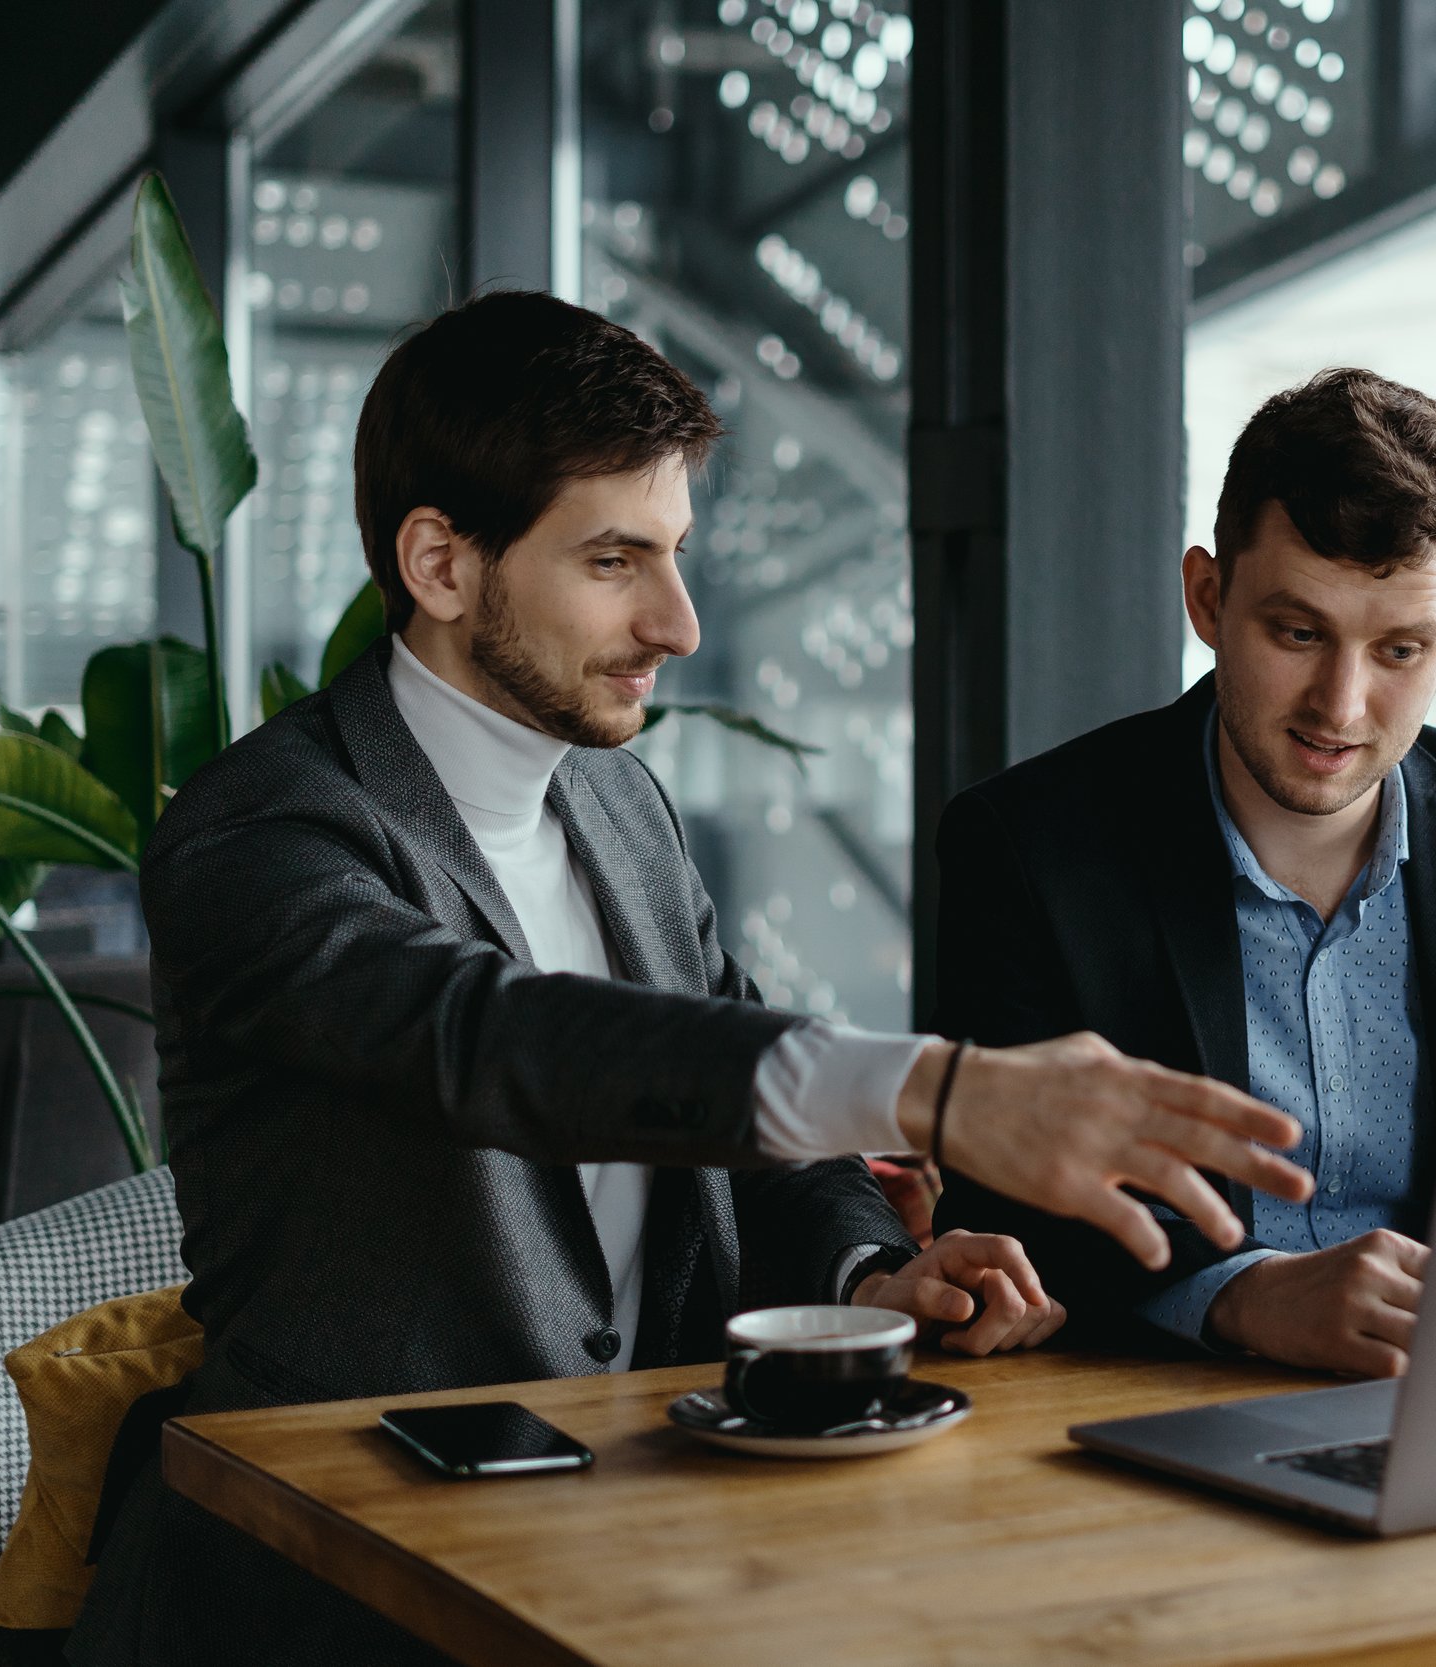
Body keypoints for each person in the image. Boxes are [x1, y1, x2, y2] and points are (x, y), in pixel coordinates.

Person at [71, 292, 1309, 1667]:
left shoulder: (625, 808)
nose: (680, 620)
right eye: (616, 560)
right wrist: (935, 1086)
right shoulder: (262, 828)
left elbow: (742, 1126)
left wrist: (875, 1273)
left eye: (674, 555)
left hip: (637, 1560)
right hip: (325, 1588)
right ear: (439, 563)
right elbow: (488, 1042)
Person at [931, 367, 1436, 1377]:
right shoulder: (1028, 849)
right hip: (1153, 1425)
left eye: (1399, 650)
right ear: (1208, 596)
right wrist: (1238, 1296)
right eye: (1297, 632)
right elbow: (1003, 1235)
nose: (1341, 703)